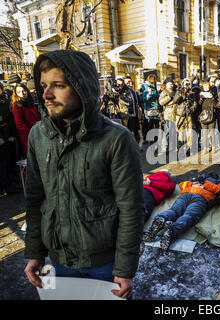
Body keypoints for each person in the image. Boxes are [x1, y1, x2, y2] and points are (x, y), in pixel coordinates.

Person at [23, 50, 144, 299]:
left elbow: (131, 208)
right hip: (60, 261)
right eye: (44, 85)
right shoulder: (38, 135)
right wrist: (35, 252)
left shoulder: (116, 139)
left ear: (82, 87)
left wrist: (124, 269)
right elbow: (35, 199)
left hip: (105, 266)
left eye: (58, 85)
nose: (46, 94)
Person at [143, 173, 220, 251]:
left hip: (189, 195)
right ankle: (172, 230)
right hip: (200, 198)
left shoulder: (206, 182)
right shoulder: (215, 183)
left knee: (174, 211)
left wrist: (199, 184)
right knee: (190, 215)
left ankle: (161, 219)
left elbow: (181, 185)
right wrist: (195, 183)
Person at [11, 82, 39, 157]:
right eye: (19, 92)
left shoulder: (31, 102)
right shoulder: (17, 106)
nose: (22, 93)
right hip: (27, 136)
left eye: (24, 90)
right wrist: (31, 133)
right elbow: (19, 124)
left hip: (37, 133)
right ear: (16, 94)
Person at [0, 82, 18, 195]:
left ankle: (11, 182)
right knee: (3, 163)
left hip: (9, 133)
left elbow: (12, 119)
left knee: (11, 160)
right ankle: (5, 186)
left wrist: (12, 135)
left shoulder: (6, 101)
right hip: (0, 137)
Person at [198, 80, 218, 153]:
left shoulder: (212, 94)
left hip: (211, 115)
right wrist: (200, 99)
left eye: (207, 86)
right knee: (204, 133)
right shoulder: (201, 94)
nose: (206, 88)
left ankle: (213, 147)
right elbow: (198, 105)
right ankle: (205, 148)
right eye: (205, 86)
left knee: (212, 133)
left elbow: (216, 105)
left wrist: (213, 98)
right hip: (203, 115)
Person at [159, 78, 177, 152]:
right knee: (167, 131)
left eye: (172, 84)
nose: (171, 85)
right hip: (168, 113)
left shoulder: (176, 91)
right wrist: (169, 97)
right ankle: (164, 147)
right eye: (169, 84)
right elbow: (161, 102)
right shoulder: (164, 92)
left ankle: (173, 146)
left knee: (175, 131)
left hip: (176, 113)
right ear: (166, 85)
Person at [141, 74, 161, 144]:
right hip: (149, 110)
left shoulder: (155, 86)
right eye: (154, 79)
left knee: (156, 127)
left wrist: (158, 91)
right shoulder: (145, 86)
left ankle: (156, 142)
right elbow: (144, 99)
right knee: (151, 126)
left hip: (156, 109)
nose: (155, 81)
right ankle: (151, 142)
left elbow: (158, 98)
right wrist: (150, 93)